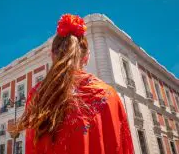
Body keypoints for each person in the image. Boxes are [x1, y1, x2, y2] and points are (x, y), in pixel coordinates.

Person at [14, 14, 134, 154]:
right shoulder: (109, 95)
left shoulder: (36, 94)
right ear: (86, 57)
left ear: (52, 55)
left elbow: (32, 147)